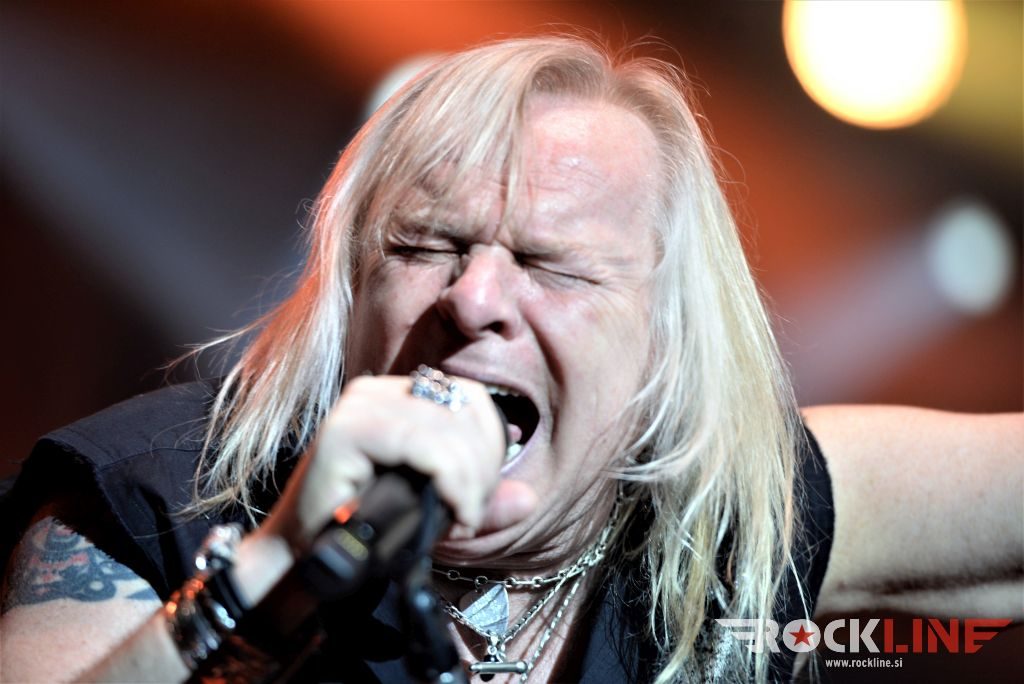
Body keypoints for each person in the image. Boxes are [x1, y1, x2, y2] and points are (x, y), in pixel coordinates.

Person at [0, 35, 1020, 683]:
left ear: (665, 346)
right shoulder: (146, 503)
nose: (475, 299)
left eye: (551, 264)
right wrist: (274, 575)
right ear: (349, 291)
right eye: (425, 246)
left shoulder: (734, 510)